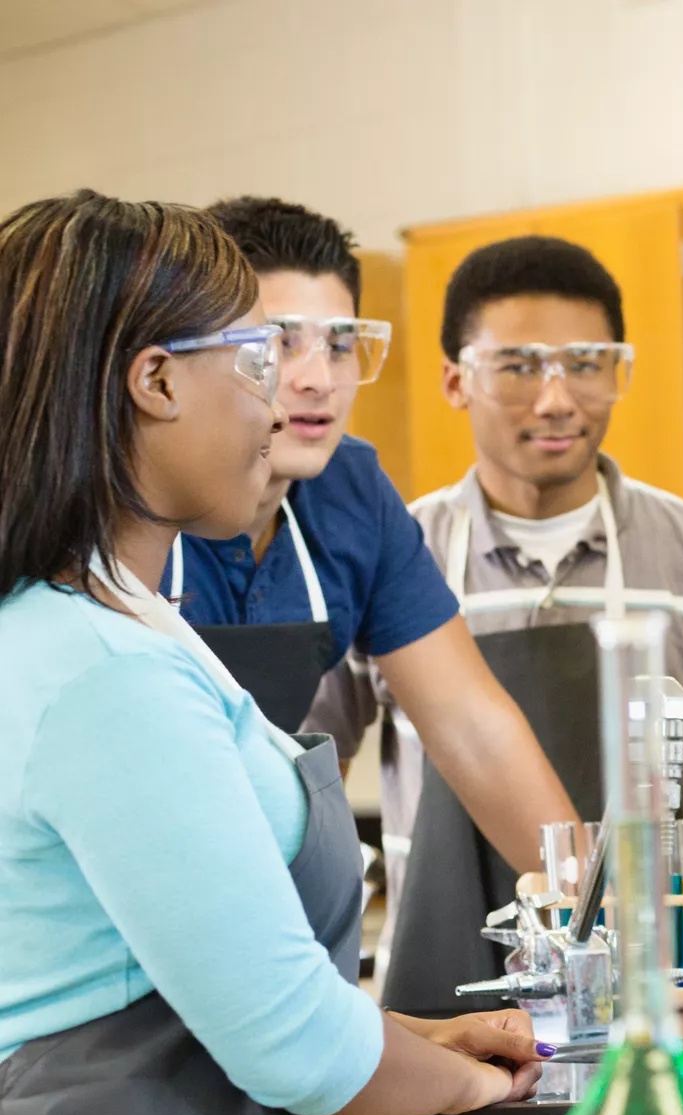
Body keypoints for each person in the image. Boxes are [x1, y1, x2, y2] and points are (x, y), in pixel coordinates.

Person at [0, 191, 549, 1115]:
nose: (286, 397)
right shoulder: (107, 676)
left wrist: (406, 1036)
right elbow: (294, 1048)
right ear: (154, 382)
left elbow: (183, 970)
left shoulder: (110, 624)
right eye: (255, 360)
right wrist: (472, 1086)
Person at [310, 235, 683, 1011]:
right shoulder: (394, 557)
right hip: (445, 1003)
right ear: (454, 380)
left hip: (670, 1004)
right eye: (517, 366)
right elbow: (303, 786)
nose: (556, 398)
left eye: (585, 363)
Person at [168, 196, 577, 907]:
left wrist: (600, 909)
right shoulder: (129, 498)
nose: (316, 378)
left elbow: (471, 725)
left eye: (339, 344)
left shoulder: (353, 494)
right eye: (280, 341)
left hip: (247, 881)